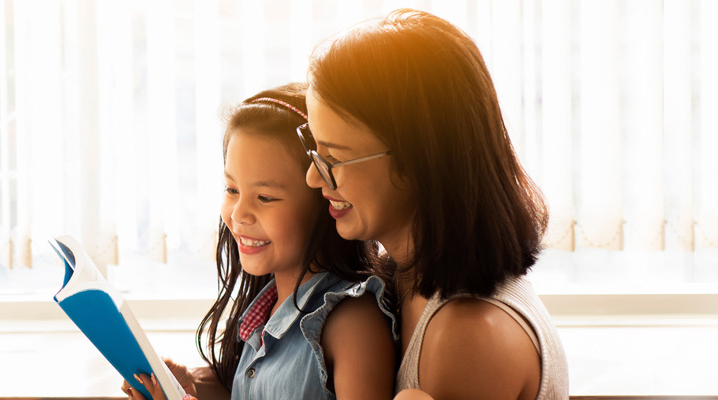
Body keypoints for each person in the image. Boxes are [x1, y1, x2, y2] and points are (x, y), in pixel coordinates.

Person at [301, 9, 568, 400]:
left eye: (334, 158)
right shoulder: (404, 281)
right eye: (314, 148)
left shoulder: (470, 335)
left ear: (417, 163)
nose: (313, 177)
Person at [124, 83, 398, 400]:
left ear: (325, 200)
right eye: (232, 190)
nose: (239, 214)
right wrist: (191, 388)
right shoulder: (264, 314)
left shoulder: (351, 324)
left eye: (265, 197)